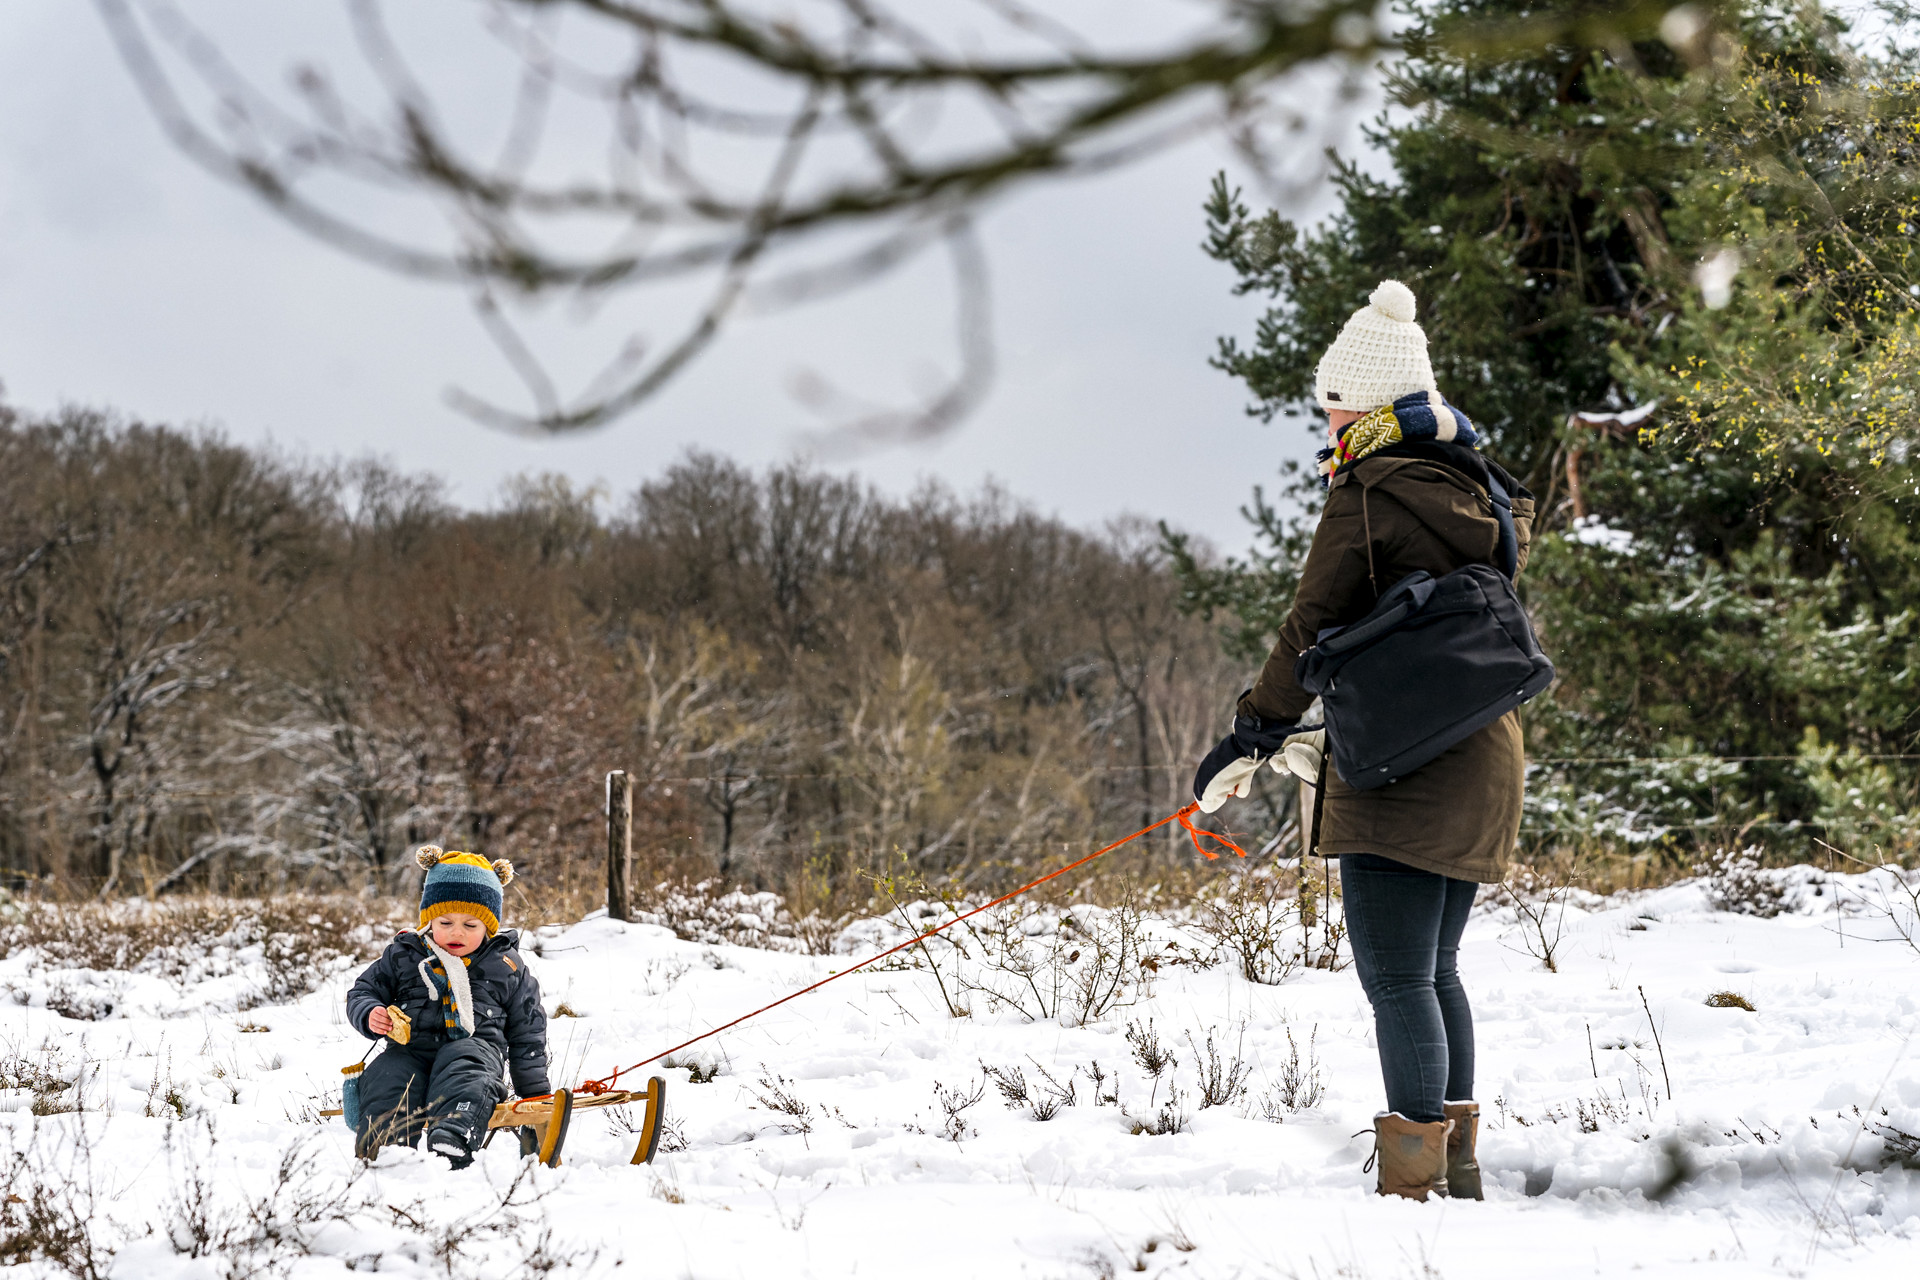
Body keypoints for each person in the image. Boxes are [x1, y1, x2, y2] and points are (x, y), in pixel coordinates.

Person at [1191, 279, 1535, 1202]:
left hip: (1403, 771)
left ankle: (1417, 1190)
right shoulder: (1476, 487)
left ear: (1369, 404)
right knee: (1435, 970)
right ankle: (1455, 1169)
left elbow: (1307, 629)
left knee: (1395, 978)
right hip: (1484, 752)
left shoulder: (1371, 493)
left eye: (1334, 404)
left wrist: (1252, 734)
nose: (1328, 420)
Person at [345, 847, 550, 1167]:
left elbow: (528, 1030)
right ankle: (385, 1145)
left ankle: (453, 1134)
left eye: (470, 925)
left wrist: (534, 1092)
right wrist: (370, 1012)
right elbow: (364, 990)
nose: (457, 932)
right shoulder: (405, 955)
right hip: (410, 1051)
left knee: (466, 1070)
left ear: (489, 927)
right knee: (387, 1074)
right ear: (428, 919)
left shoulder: (505, 966)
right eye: (445, 921)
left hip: (475, 1050)